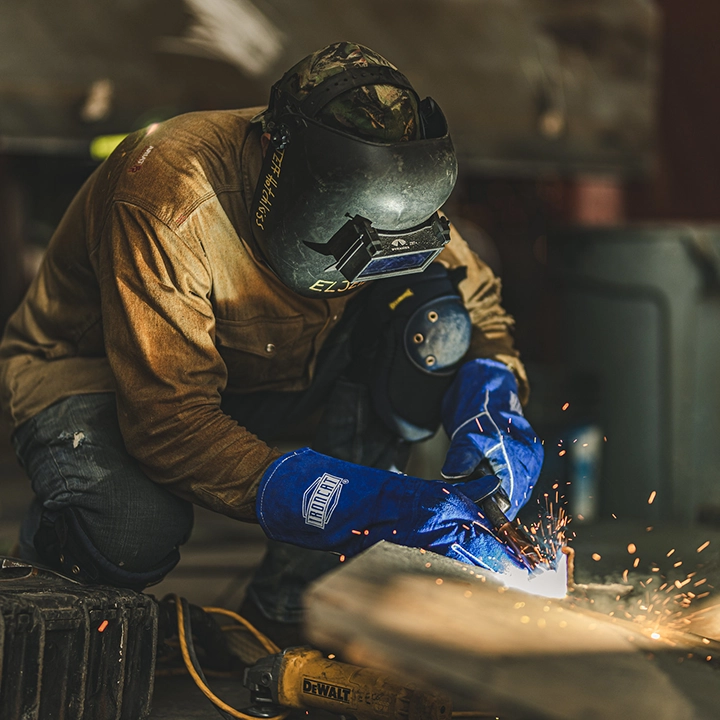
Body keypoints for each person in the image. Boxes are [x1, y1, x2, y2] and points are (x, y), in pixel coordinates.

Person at [0, 42, 543, 643]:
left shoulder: (391, 184)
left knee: (436, 326)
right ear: (276, 163)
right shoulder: (167, 189)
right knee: (130, 527)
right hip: (101, 378)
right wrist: (355, 503)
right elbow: (169, 424)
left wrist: (495, 405)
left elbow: (477, 304)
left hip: (265, 373)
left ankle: (293, 603)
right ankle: (45, 581)